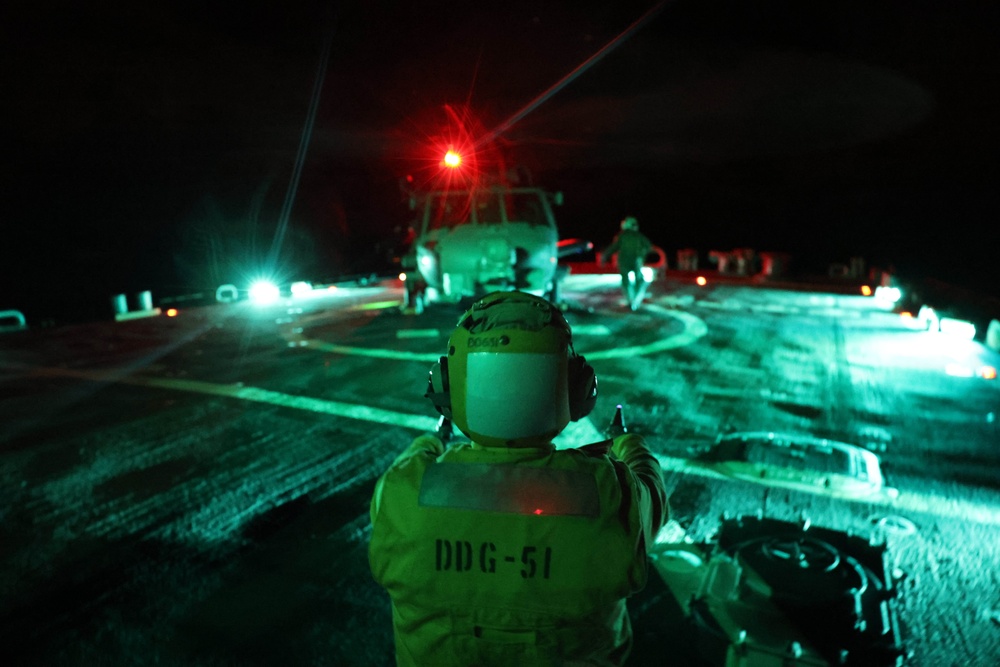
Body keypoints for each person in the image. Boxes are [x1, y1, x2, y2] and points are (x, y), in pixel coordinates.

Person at [369, 291, 669, 667]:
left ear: (448, 388)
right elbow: (652, 498)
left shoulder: (401, 490)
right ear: (576, 390)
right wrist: (628, 444)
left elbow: (416, 463)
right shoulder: (612, 492)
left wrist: (432, 440)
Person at [599, 217, 652, 310]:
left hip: (624, 262)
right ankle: (635, 300)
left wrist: (604, 256)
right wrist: (641, 255)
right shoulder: (638, 235)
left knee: (626, 281)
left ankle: (630, 300)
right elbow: (648, 245)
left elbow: (614, 247)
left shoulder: (622, 235)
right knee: (639, 280)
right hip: (635, 261)